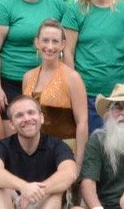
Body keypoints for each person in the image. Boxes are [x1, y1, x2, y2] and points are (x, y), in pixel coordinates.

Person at [64, 0, 124, 133]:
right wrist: (74, 88)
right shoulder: (76, 11)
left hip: (122, 94)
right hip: (88, 94)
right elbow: (68, 52)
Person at [22, 19, 89, 156]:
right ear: (37, 42)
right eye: (45, 40)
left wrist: (79, 162)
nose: (50, 47)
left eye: (55, 41)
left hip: (64, 149)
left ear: (63, 45)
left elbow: (82, 123)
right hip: (34, 149)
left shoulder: (72, 78)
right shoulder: (28, 77)